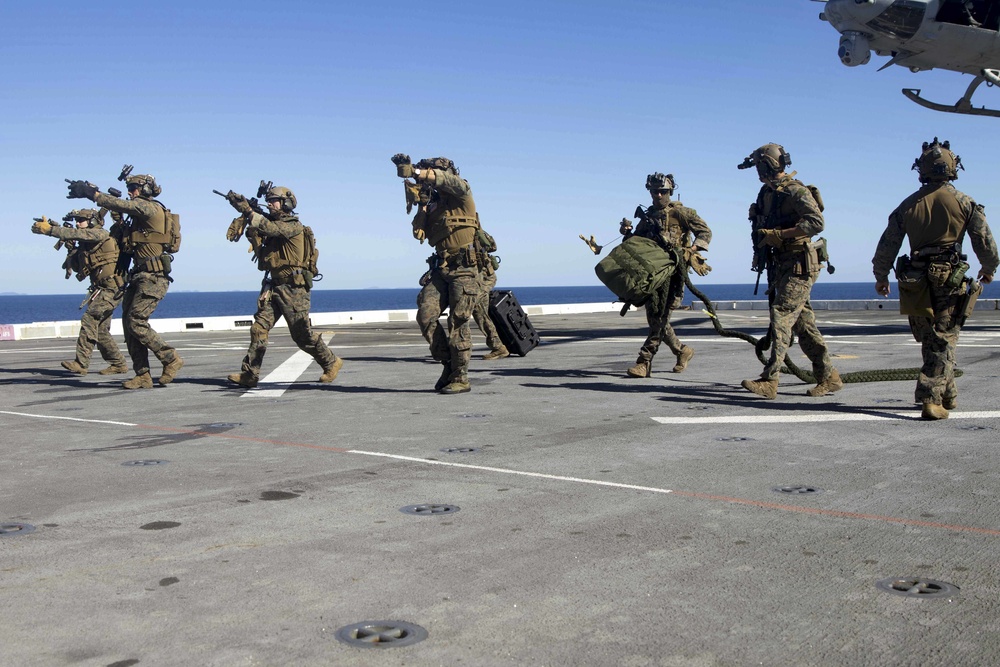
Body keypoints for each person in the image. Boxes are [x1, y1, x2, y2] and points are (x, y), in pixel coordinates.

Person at [872, 138, 998, 420]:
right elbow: (985, 242)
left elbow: (888, 244)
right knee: (944, 338)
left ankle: (947, 394)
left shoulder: (907, 205)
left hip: (914, 278)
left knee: (931, 339)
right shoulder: (965, 202)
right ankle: (931, 397)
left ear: (922, 170)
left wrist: (881, 275)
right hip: (948, 277)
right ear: (953, 168)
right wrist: (989, 268)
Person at [737, 144, 842, 399]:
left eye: (759, 167)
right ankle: (829, 377)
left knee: (781, 313)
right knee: (803, 325)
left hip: (799, 263)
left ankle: (770, 380)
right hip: (780, 262)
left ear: (766, 165)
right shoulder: (766, 193)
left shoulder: (795, 191)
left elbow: (816, 223)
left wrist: (780, 235)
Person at [67, 173, 184, 389]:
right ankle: (143, 375)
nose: (130, 191)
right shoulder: (136, 219)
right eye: (129, 188)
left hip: (153, 277)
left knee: (136, 321)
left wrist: (91, 194)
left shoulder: (150, 208)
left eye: (134, 188)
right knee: (129, 327)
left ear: (147, 189)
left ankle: (170, 358)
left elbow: (119, 203)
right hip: (138, 276)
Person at [223, 186, 343, 388]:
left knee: (301, 335)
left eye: (274, 200)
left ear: (286, 203)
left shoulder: (293, 226)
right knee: (258, 328)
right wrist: (248, 216)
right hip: (275, 287)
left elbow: (270, 228)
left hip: (294, 289)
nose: (269, 203)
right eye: (268, 200)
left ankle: (331, 362)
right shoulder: (274, 225)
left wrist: (248, 211)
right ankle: (250, 374)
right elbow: (262, 239)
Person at [392, 154, 485, 394]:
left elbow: (448, 181)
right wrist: (423, 204)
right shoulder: (434, 205)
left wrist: (415, 173)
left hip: (464, 269)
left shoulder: (461, 192)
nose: (428, 176)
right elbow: (418, 233)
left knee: (458, 322)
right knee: (425, 315)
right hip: (441, 268)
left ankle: (461, 377)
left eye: (431, 172)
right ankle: (448, 364)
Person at [619, 172, 712, 378]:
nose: (659, 195)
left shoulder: (683, 213)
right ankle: (682, 351)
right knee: (657, 318)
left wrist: (691, 251)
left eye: (663, 191)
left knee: (660, 318)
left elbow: (705, 232)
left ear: (670, 191)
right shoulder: (648, 216)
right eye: (654, 191)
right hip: (653, 274)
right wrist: (627, 233)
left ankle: (644, 361)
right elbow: (636, 244)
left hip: (674, 274)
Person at [30, 209, 128, 376]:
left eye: (81, 220)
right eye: (76, 220)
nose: (77, 223)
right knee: (100, 330)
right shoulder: (86, 244)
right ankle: (118, 363)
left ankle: (81, 363)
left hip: (111, 288)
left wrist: (51, 230)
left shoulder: (100, 234)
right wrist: (72, 249)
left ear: (92, 221)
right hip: (100, 289)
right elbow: (77, 269)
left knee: (89, 320)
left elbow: (79, 234)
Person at [470, 227, 508, 361]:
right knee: (479, 312)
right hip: (474, 279)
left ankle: (498, 347)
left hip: (485, 278)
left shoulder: (475, 232)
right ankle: (497, 346)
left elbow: (492, 246)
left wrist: (478, 233)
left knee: (479, 311)